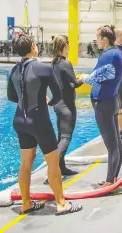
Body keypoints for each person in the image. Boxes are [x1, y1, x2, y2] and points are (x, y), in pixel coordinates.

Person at [7, 34, 82, 215]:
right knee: (52, 162)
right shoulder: (43, 68)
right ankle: (61, 203)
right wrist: (46, 101)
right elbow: (57, 95)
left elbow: (11, 97)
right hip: (39, 120)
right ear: (33, 46)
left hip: (19, 120)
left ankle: (26, 203)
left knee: (26, 162)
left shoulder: (14, 70)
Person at [82, 25, 122, 188]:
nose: (97, 40)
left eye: (98, 37)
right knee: (116, 143)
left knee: (111, 145)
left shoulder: (108, 55)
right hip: (112, 101)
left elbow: (94, 77)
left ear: (105, 39)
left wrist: (82, 79)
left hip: (104, 104)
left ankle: (109, 181)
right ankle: (113, 177)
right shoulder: (116, 53)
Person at [47, 35, 84, 181]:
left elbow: (62, 82)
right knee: (66, 137)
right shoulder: (65, 63)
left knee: (60, 136)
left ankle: (61, 167)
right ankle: (52, 169)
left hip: (57, 105)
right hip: (67, 106)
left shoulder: (53, 64)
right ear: (66, 45)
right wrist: (84, 79)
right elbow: (75, 83)